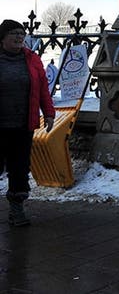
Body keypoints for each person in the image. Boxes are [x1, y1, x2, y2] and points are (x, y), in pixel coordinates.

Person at [0, 19, 55, 227]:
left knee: (19, 167)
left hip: (24, 124)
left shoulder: (33, 60)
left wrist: (49, 113)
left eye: (21, 33)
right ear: (2, 37)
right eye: (13, 33)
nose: (19, 37)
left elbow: (43, 89)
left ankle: (16, 208)